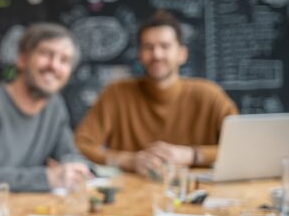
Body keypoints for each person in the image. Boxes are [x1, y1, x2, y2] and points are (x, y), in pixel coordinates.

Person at [75, 10, 238, 175]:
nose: (157, 55)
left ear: (182, 54)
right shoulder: (116, 93)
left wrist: (193, 155)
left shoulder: (209, 95)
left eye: (165, 46)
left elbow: (243, 147)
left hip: (198, 194)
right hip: (131, 195)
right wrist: (128, 160)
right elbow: (80, 145)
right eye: (148, 47)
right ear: (139, 55)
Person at [0, 23, 91, 192]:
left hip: (36, 209)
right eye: (46, 54)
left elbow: (67, 153)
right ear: (22, 59)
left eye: (64, 60)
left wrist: (74, 167)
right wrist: (45, 178)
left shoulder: (55, 105)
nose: (54, 66)